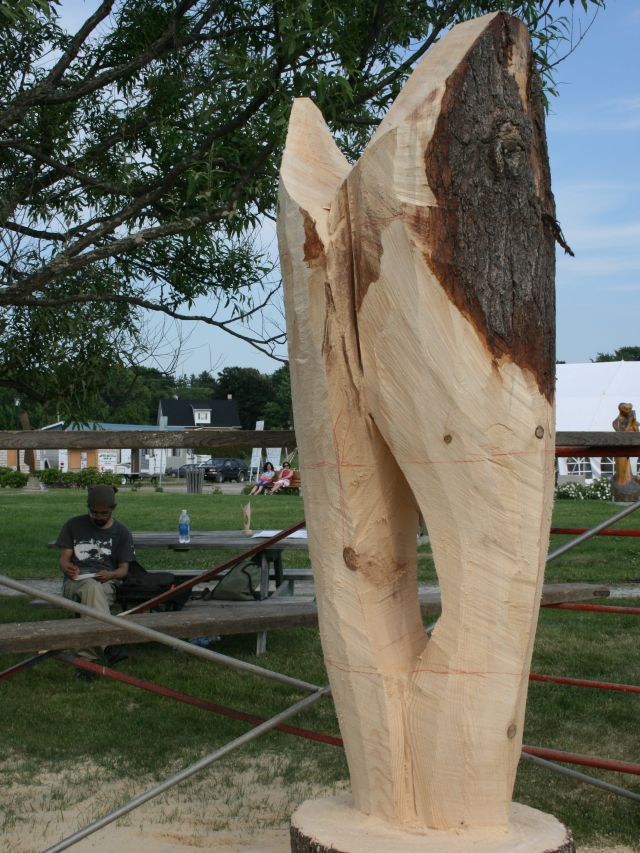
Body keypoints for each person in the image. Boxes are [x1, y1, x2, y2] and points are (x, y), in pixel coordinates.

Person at [55, 484, 135, 680]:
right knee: (90, 588)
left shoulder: (122, 532)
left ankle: (86, 662)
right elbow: (64, 558)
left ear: (113, 508)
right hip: (75, 582)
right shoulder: (73, 525)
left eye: (103, 513)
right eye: (94, 512)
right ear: (88, 507)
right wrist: (66, 566)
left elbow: (124, 570)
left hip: (105, 582)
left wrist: (111, 575)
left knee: (93, 592)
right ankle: (108, 644)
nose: (98, 517)